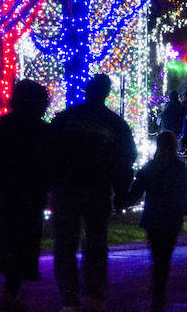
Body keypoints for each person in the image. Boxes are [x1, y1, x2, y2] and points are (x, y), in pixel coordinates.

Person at [50, 74, 137, 311]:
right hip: (96, 188)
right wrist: (120, 192)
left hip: (68, 188)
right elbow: (126, 159)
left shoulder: (67, 118)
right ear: (106, 93)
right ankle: (94, 291)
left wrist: (53, 180)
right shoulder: (114, 123)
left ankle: (70, 294)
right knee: (96, 241)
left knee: (67, 241)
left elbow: (49, 150)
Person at [0, 80, 51, 310]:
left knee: (11, 236)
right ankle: (15, 283)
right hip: (31, 193)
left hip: (8, 192)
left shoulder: (5, 124)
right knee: (26, 237)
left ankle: (12, 285)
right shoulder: (42, 130)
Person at [126, 131, 187, 311]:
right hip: (172, 220)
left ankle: (157, 291)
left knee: (157, 256)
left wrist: (122, 202)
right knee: (164, 258)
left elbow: (136, 190)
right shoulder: (179, 169)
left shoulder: (151, 167)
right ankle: (159, 291)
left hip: (153, 219)